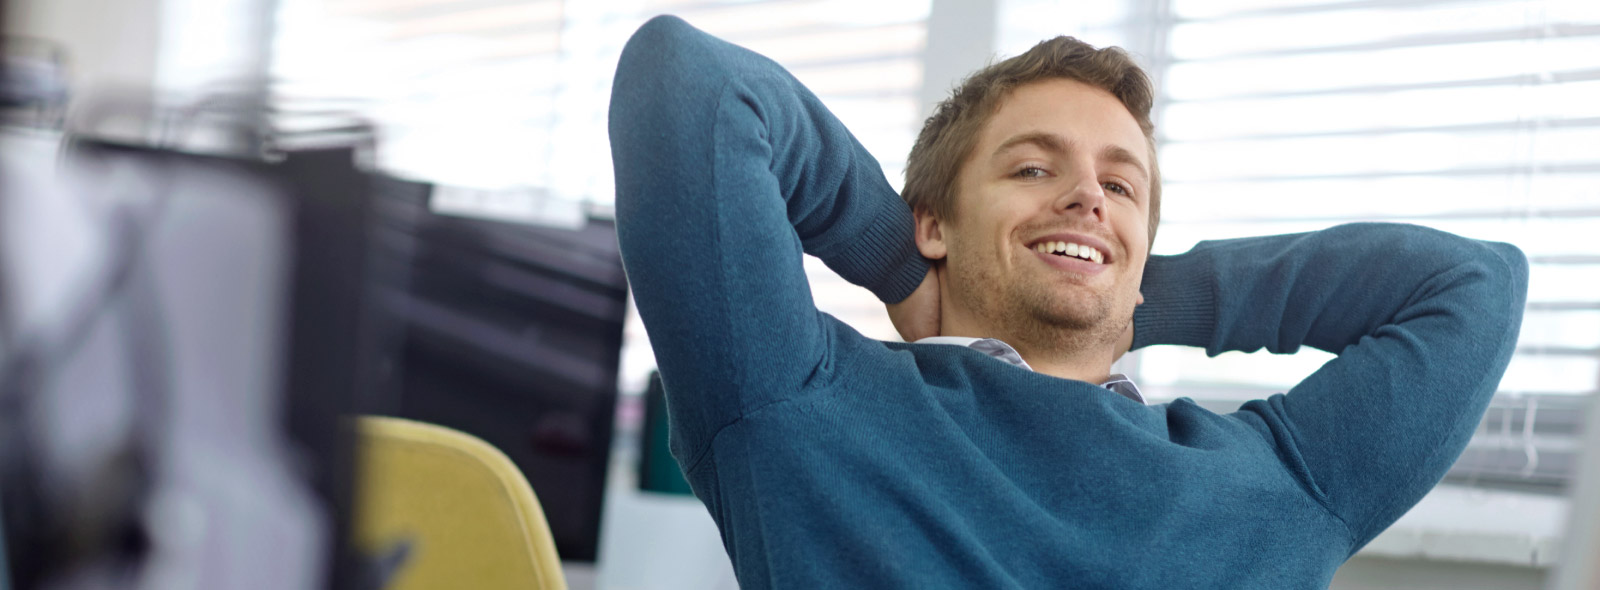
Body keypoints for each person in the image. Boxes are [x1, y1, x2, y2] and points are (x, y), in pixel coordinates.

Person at [609, 15, 1528, 589]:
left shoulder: (1279, 479)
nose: (1088, 195)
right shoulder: (796, 398)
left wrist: (1134, 290)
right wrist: (898, 266)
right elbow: (688, 83)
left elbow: (1473, 287)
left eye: (1122, 189)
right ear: (936, 221)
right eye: (1034, 167)